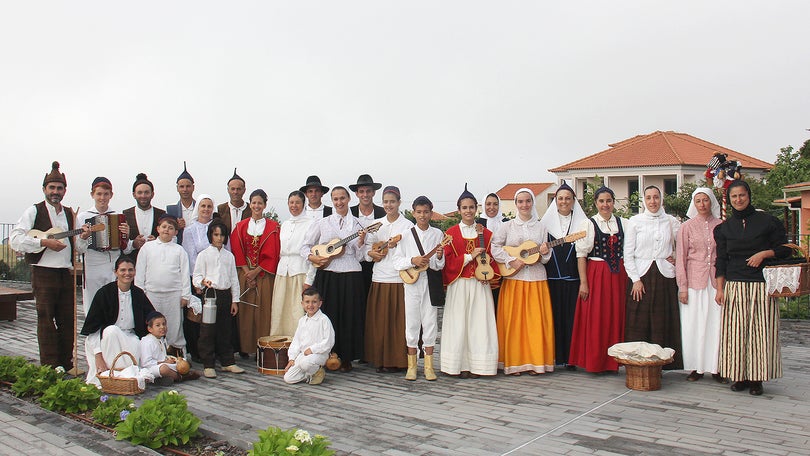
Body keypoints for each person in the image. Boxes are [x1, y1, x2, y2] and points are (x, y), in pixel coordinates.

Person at [714, 180, 791, 396]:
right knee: (736, 333)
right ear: (729, 200)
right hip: (735, 285)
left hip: (761, 285)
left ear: (749, 196)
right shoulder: (723, 228)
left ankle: (757, 378)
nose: (738, 200)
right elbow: (721, 260)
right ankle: (739, 375)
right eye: (734, 197)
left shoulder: (768, 222)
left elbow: (786, 249)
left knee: (760, 333)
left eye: (742, 195)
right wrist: (720, 289)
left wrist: (764, 254)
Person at [10, 161, 85, 371]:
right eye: (51, 188)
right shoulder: (34, 211)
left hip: (65, 273)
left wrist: (85, 236)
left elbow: (79, 246)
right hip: (43, 273)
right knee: (45, 320)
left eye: (59, 188)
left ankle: (67, 363)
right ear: (44, 189)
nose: (55, 192)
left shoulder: (71, 214)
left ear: (65, 191)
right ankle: (50, 366)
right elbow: (15, 239)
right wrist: (43, 242)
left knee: (67, 320)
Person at [302, 186, 367, 372]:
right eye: (336, 199)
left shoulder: (357, 224)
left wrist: (361, 242)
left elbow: (361, 256)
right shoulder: (323, 223)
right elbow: (305, 246)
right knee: (329, 315)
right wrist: (312, 257)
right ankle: (328, 354)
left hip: (351, 274)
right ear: (332, 201)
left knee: (349, 315)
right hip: (328, 273)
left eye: (342, 198)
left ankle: (346, 357)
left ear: (349, 200)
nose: (339, 202)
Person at [491, 188, 554, 375]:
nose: (524, 205)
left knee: (535, 323)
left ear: (532, 203)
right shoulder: (507, 226)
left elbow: (545, 258)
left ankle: (535, 363)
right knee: (515, 323)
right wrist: (512, 260)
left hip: (536, 279)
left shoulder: (541, 227)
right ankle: (514, 363)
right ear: (516, 204)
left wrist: (544, 253)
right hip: (515, 279)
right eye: (520, 201)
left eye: (527, 201)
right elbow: (495, 248)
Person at [441, 184, 499, 378]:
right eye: (464, 208)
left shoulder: (487, 234)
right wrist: (468, 256)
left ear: (476, 208)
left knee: (479, 325)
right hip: (459, 284)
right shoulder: (450, 234)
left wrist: (489, 274)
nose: (468, 211)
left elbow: (493, 260)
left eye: (471, 207)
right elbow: (446, 262)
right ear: (459, 210)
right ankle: (457, 366)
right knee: (458, 325)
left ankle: (479, 366)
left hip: (479, 285)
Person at [568, 186, 628, 373]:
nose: (605, 205)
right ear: (596, 203)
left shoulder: (624, 223)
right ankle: (596, 362)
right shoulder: (588, 224)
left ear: (613, 202)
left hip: (618, 275)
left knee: (616, 316)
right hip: (597, 274)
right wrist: (584, 283)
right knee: (597, 318)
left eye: (608, 201)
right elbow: (581, 255)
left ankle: (613, 362)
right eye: (601, 201)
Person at [623, 185, 684, 370]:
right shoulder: (635, 221)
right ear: (644, 200)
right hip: (641, 274)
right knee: (639, 319)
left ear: (661, 199)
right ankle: (638, 363)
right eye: (648, 198)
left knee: (662, 319)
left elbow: (683, 245)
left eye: (656, 197)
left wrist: (674, 256)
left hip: (665, 275)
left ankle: (661, 364)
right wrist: (635, 279)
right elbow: (628, 253)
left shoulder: (671, 221)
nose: (653, 201)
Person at [80, 256, 156, 387]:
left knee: (138, 351)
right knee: (111, 330)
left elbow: (151, 317)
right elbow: (93, 328)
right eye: (123, 270)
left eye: (130, 270)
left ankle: (123, 379)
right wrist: (98, 357)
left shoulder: (138, 294)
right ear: (115, 272)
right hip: (104, 339)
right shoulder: (104, 293)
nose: (127, 273)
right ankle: (110, 377)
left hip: (131, 337)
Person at [392, 196, 445, 381]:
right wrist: (412, 260)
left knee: (430, 322)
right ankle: (412, 366)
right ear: (413, 212)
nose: (422, 215)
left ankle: (429, 366)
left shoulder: (438, 234)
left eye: (426, 212)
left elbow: (439, 266)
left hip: (430, 281)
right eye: (419, 212)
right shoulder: (406, 234)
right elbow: (397, 261)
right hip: (411, 283)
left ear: (431, 212)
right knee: (412, 322)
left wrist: (438, 257)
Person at [676, 187, 725, 383]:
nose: (702, 204)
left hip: (715, 281)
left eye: (705, 200)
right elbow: (681, 257)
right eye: (698, 201)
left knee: (716, 324)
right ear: (694, 204)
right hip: (694, 281)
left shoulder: (721, 225)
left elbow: (723, 255)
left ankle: (716, 367)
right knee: (694, 324)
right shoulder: (686, 227)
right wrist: (683, 287)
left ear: (711, 201)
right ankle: (695, 367)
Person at [363, 185, 412, 372]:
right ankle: (380, 359)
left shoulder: (407, 226)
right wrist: (371, 254)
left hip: (399, 278)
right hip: (380, 276)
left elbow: (411, 251)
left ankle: (398, 360)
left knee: (397, 321)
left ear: (399, 203)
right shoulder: (377, 224)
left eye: (392, 201)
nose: (389, 205)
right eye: (385, 202)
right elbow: (366, 249)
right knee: (380, 320)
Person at [540, 182, 588, 369]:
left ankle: (571, 358)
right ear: (555, 201)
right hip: (552, 279)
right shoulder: (545, 225)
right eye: (560, 198)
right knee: (553, 318)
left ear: (573, 201)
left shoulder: (583, 225)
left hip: (573, 280)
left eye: (568, 198)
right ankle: (554, 356)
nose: (564, 201)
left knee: (572, 319)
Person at [192, 220, 245, 378]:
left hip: (226, 295)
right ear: (210, 235)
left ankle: (227, 362)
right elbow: (197, 276)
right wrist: (203, 282)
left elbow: (234, 279)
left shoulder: (229, 256)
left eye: (222, 235)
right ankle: (208, 364)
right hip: (210, 294)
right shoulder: (204, 255)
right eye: (216, 234)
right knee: (208, 331)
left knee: (225, 330)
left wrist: (235, 300)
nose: (219, 238)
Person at [231, 189, 281, 356]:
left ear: (265, 205)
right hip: (244, 274)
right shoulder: (240, 226)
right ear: (250, 204)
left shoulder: (273, 227)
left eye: (260, 203)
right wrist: (247, 272)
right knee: (245, 311)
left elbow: (273, 253)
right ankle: (246, 348)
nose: (257, 206)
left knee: (263, 311)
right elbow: (237, 250)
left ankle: (262, 347)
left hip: (264, 275)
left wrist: (256, 271)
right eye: (254, 203)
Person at [135, 215, 191, 358]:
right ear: (158, 229)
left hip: (174, 294)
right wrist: (139, 293)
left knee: (174, 326)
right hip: (152, 294)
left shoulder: (179, 250)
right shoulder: (147, 248)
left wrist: (185, 295)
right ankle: (154, 356)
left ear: (176, 233)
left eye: (171, 228)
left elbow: (184, 274)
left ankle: (178, 357)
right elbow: (140, 272)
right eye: (164, 227)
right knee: (155, 326)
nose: (167, 230)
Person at [76, 176, 133, 315]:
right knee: (93, 303)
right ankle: (93, 334)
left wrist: (126, 236)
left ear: (111, 195)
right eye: (99, 194)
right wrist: (84, 238)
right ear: (92, 195)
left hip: (112, 264)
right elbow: (79, 248)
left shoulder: (117, 215)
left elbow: (125, 249)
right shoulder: (82, 217)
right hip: (92, 265)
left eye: (106, 194)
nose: (102, 198)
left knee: (113, 303)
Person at [270, 191, 315, 336]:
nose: (294, 206)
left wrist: (309, 279)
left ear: (303, 204)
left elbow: (314, 254)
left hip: (300, 272)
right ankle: (279, 348)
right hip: (283, 272)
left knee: (297, 313)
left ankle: (298, 348)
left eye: (297, 202)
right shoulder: (285, 225)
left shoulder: (311, 224)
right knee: (279, 311)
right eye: (291, 202)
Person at [182, 194, 217, 360]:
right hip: (198, 279)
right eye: (203, 206)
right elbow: (190, 256)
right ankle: (197, 352)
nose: (206, 209)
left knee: (214, 316)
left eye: (209, 206)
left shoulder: (218, 228)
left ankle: (212, 350)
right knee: (196, 316)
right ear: (198, 208)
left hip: (216, 279)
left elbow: (224, 253)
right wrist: (198, 281)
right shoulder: (190, 230)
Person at [283, 287, 335, 385]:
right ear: (302, 304)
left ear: (320, 303)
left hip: (319, 354)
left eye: (314, 302)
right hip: (303, 355)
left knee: (305, 363)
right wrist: (292, 358)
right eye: (307, 302)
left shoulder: (324, 320)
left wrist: (312, 349)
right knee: (288, 378)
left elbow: (329, 341)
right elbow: (296, 342)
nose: (310, 305)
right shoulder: (302, 321)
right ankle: (309, 374)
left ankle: (317, 371)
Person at [350, 174, 386, 297]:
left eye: (368, 191)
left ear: (373, 193)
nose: (365, 195)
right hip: (354, 263)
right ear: (357, 194)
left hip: (376, 263)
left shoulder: (383, 213)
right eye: (362, 191)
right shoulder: (349, 213)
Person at [123, 173, 166, 264]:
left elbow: (169, 240)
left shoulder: (162, 214)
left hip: (157, 263)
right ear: (134, 194)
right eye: (140, 192)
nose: (143, 196)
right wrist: (133, 244)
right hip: (133, 264)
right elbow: (123, 247)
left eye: (146, 192)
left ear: (152, 194)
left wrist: (157, 241)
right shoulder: (125, 215)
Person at [139, 311, 181, 385]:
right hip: (149, 369)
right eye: (158, 325)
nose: (162, 327)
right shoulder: (147, 341)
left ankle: (160, 379)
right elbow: (146, 363)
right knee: (164, 369)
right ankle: (180, 377)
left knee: (181, 363)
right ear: (150, 329)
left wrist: (170, 360)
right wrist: (165, 362)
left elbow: (162, 356)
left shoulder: (161, 339)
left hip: (161, 364)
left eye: (164, 324)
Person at [166, 162, 196, 245]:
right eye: (182, 187)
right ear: (177, 188)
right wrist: (176, 227)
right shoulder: (171, 210)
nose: (185, 189)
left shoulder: (201, 208)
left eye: (188, 186)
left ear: (193, 187)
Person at [216, 168, 250, 235]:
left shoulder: (251, 210)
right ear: (228, 190)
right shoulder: (220, 210)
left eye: (238, 189)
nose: (235, 192)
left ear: (244, 190)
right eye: (233, 189)